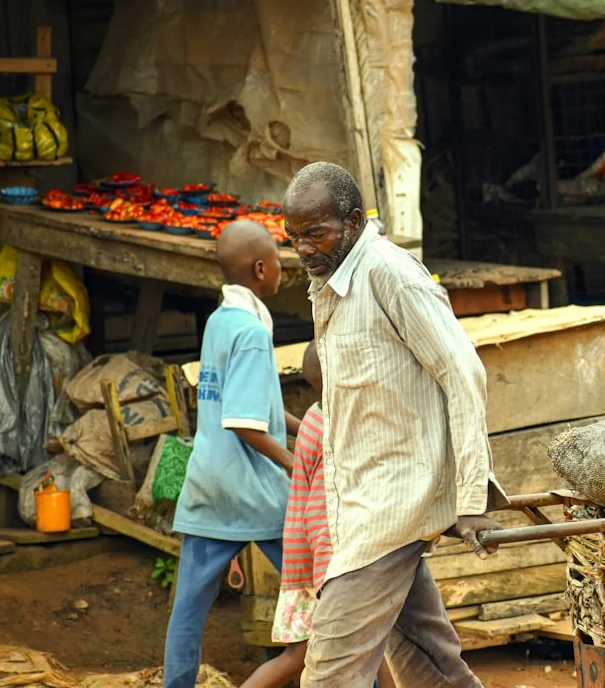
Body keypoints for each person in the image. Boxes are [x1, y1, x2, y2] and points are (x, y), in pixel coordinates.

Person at [283, 161, 508, 688]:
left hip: (391, 507)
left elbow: (463, 373)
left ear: (354, 222)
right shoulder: (332, 282)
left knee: (330, 675)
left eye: (315, 234)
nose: (304, 249)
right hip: (367, 507)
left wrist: (472, 500)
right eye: (294, 237)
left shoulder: (390, 273)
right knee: (429, 667)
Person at [164, 220, 301, 688]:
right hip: (255, 489)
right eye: (280, 262)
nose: (283, 270)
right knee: (328, 589)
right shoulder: (253, 331)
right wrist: (293, 461)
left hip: (209, 481)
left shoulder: (220, 320)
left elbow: (249, 404)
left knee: (188, 607)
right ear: (261, 269)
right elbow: (243, 421)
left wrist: (305, 430)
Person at [241, 341, 396, 688]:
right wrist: (332, 575)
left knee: (373, 644)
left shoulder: (315, 416)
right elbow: (320, 513)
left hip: (312, 565)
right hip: (325, 570)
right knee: (301, 658)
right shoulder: (334, 433)